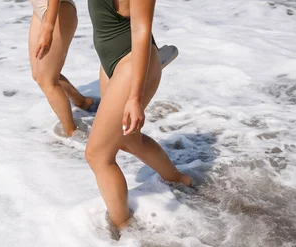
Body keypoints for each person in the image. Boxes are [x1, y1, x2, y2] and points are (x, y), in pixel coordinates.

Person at [85, 0, 193, 229]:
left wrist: (135, 98)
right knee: (128, 138)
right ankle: (180, 180)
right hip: (110, 62)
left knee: (97, 156)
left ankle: (124, 229)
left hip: (131, 63)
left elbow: (141, 29)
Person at [29, 0, 99, 136]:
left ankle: (73, 133)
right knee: (39, 75)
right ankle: (82, 102)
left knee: (47, 80)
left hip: (56, 14)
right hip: (40, 10)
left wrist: (48, 27)